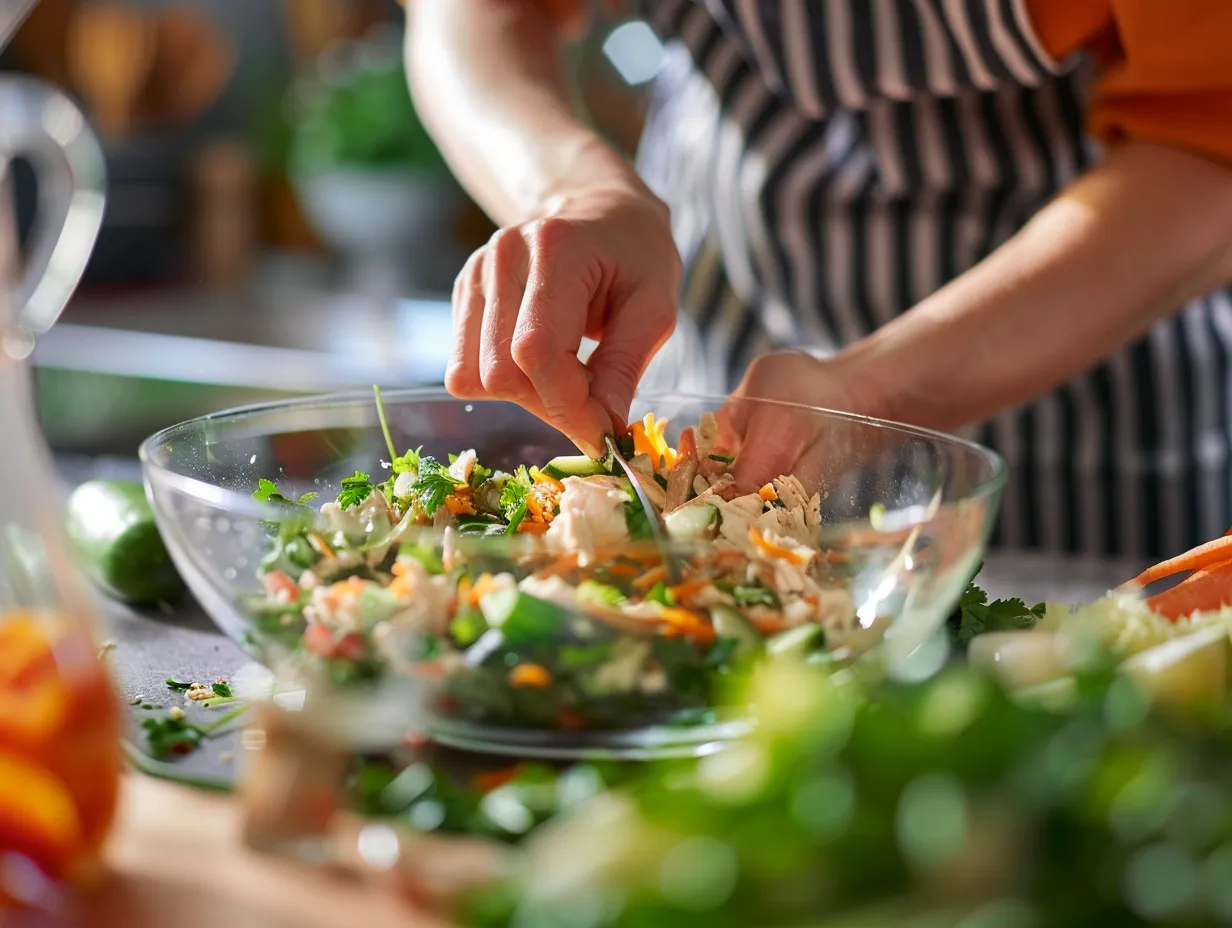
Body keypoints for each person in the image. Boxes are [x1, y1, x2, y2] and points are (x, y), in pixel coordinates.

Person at [403, 0, 1232, 558]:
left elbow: (1212, 144)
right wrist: (571, 189)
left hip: (1093, 355)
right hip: (719, 303)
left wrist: (878, 389)